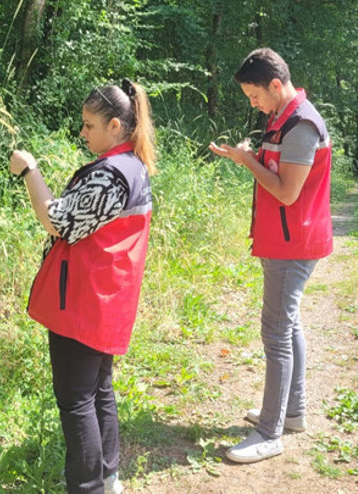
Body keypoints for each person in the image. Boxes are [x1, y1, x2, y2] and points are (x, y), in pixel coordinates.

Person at [9, 78, 156, 494]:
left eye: (89, 125)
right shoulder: (132, 165)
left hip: (85, 301)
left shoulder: (112, 174)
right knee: (98, 388)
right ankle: (108, 478)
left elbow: (59, 222)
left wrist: (29, 170)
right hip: (105, 296)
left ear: (114, 126)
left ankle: (88, 487)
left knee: (76, 399)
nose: (83, 132)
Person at [209, 48, 332, 463]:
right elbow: (277, 171)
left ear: (276, 85)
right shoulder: (281, 118)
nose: (253, 103)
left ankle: (269, 433)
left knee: (276, 331)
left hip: (293, 245)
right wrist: (248, 155)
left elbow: (285, 191)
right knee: (287, 324)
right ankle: (291, 412)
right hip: (283, 241)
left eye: (254, 95)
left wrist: (245, 160)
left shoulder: (301, 125)